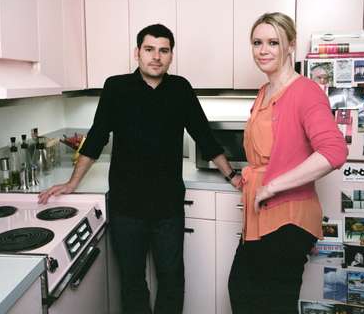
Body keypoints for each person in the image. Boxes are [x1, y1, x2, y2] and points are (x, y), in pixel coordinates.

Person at [38, 24, 241, 314]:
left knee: (171, 280)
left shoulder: (180, 88)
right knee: (132, 282)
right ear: (137, 53)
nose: (156, 57)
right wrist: (72, 183)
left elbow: (204, 137)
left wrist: (232, 175)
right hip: (126, 205)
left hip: (168, 205)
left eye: (163, 50)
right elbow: (96, 137)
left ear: (171, 56)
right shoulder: (116, 87)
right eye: (149, 49)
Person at [228, 13, 348, 314]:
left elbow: (334, 150)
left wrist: (272, 186)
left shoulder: (305, 91)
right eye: (257, 42)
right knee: (242, 291)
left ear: (290, 45)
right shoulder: (264, 91)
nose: (263, 50)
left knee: (272, 304)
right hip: (260, 214)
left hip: (288, 218)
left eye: (273, 42)